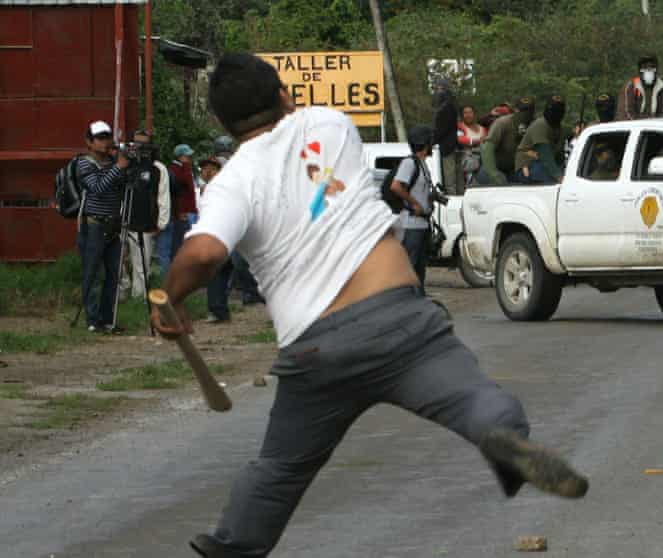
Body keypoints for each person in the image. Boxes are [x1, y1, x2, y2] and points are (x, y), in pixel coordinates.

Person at [151, 53, 588, 558]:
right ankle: (501, 436)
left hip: (317, 349)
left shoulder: (233, 180)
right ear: (283, 95)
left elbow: (204, 252)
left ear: (222, 123)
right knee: (474, 400)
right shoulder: (329, 123)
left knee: (280, 468)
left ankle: (233, 547)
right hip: (400, 320)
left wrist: (169, 297)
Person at [77, 121, 129, 333]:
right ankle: (92, 320)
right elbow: (97, 188)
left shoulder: (114, 160)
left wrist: (123, 166)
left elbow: (124, 186)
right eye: (99, 138)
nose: (104, 142)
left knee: (113, 274)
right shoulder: (84, 163)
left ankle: (108, 319)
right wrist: (118, 167)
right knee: (93, 273)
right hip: (94, 225)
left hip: (113, 224)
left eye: (106, 137)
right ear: (89, 142)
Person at [119, 129, 170, 300]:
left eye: (143, 143)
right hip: (122, 220)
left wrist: (161, 223)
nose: (139, 147)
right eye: (136, 143)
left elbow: (163, 197)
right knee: (117, 260)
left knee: (141, 265)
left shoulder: (158, 168)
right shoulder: (126, 165)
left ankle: (139, 298)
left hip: (145, 222)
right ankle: (122, 289)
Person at [390, 125, 435, 290]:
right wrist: (414, 203)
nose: (432, 145)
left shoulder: (423, 165)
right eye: (429, 142)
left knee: (419, 270)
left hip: (421, 224)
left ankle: (417, 300)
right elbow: (396, 186)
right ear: (423, 143)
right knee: (410, 269)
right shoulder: (409, 163)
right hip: (411, 225)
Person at [198, 156, 234, 323]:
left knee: (220, 273)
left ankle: (217, 310)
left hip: (227, 233)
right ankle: (219, 310)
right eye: (203, 169)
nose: (204, 172)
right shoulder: (207, 188)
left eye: (208, 169)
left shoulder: (224, 186)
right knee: (218, 273)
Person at [476, 97, 535, 185]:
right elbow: (487, 148)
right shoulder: (502, 123)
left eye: (528, 111)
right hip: (494, 166)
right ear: (516, 110)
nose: (525, 115)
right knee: (492, 180)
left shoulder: (534, 125)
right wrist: (494, 173)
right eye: (522, 111)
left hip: (515, 169)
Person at [514, 95, 566, 184]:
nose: (555, 113)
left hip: (545, 163)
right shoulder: (540, 125)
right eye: (553, 109)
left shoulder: (559, 128)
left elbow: (559, 154)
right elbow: (545, 155)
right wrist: (559, 177)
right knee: (549, 180)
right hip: (528, 165)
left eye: (558, 110)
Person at [617, 54, 663, 120]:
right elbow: (626, 115)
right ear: (639, 71)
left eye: (652, 67)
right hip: (635, 128)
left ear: (656, 70)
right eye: (644, 68)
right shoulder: (630, 87)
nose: (648, 71)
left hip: (658, 128)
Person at [168, 144, 198, 269]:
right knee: (180, 244)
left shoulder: (182, 168)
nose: (190, 159)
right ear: (180, 157)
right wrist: (186, 167)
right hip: (182, 212)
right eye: (188, 156)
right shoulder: (175, 169)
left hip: (188, 210)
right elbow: (189, 186)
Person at [432, 78, 460, 195]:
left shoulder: (446, 107)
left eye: (441, 89)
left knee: (450, 178)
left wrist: (432, 140)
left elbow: (442, 129)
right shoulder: (446, 106)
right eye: (438, 89)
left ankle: (453, 201)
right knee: (448, 176)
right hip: (446, 146)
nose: (439, 91)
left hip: (447, 147)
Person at [457, 104, 486, 188]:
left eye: (470, 112)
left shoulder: (482, 128)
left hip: (483, 162)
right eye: (465, 113)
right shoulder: (460, 127)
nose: (468, 115)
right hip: (469, 164)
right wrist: (476, 141)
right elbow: (460, 139)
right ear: (462, 115)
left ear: (474, 114)